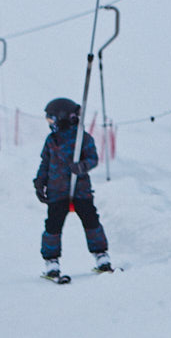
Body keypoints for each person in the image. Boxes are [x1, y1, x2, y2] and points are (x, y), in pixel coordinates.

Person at [34, 97, 114, 279]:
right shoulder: (51, 140)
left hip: (80, 190)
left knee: (91, 220)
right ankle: (51, 260)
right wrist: (40, 182)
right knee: (53, 225)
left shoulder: (82, 139)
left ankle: (101, 255)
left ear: (62, 117)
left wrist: (82, 166)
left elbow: (93, 158)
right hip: (57, 191)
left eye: (52, 119)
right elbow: (45, 162)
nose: (50, 123)